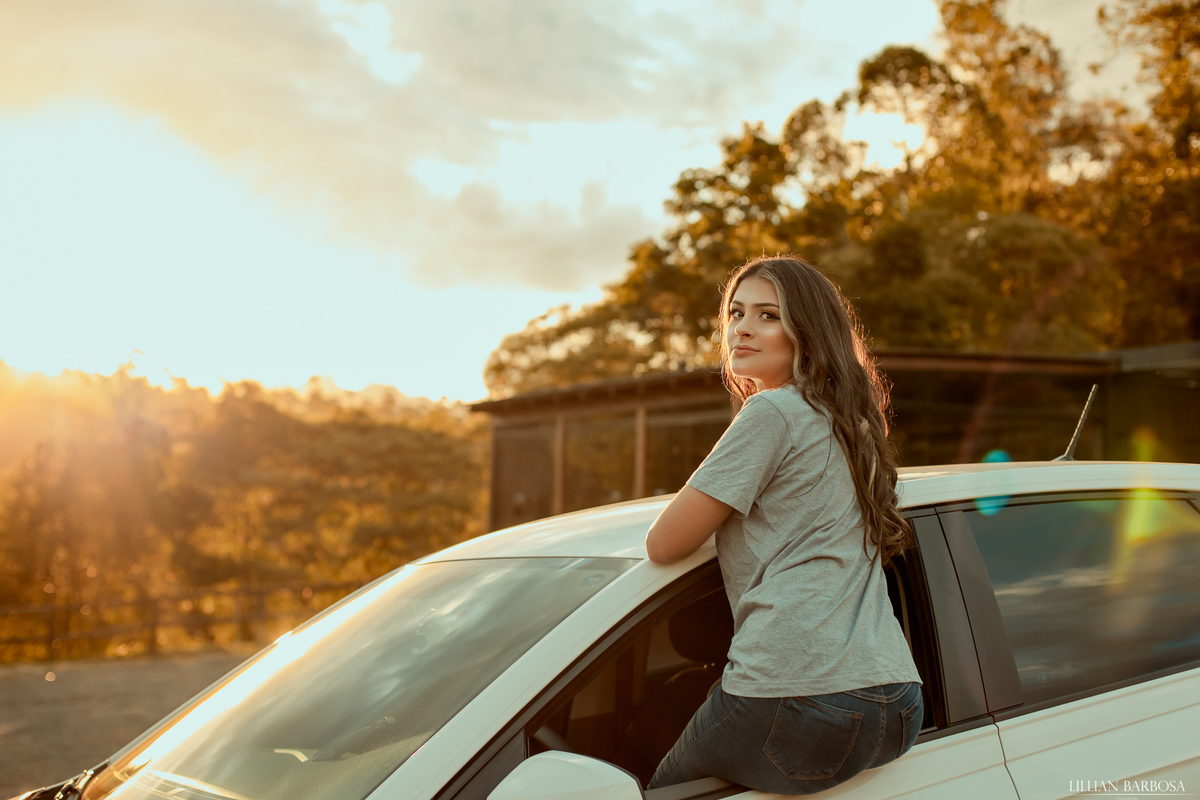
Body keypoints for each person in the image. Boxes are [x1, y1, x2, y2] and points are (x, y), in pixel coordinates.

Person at [644, 255, 923, 795]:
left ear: (808, 333)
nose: (742, 328)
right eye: (736, 312)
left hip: (795, 695)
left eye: (768, 315)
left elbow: (664, 543)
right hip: (894, 701)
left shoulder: (771, 413)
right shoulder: (856, 425)